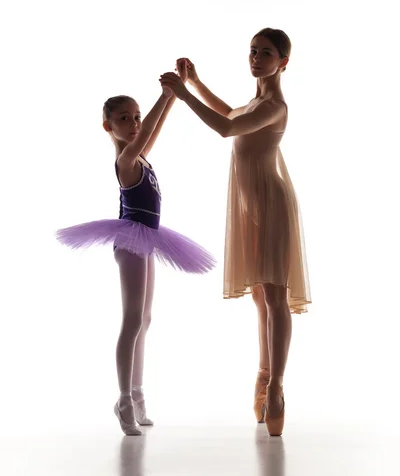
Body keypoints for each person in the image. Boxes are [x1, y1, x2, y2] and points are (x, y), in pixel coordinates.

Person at [160, 29, 311, 436]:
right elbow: (231, 115)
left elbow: (227, 130)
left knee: (276, 295)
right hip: (250, 207)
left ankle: (276, 387)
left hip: (272, 204)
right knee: (260, 296)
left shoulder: (275, 105)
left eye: (265, 53)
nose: (255, 58)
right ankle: (264, 375)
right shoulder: (256, 102)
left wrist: (182, 95)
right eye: (252, 51)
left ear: (284, 62)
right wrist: (195, 83)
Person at [56, 69, 215, 436]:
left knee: (145, 319)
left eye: (136, 117)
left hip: (148, 239)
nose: (133, 124)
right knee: (131, 320)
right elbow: (145, 136)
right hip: (129, 242)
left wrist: (172, 97)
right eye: (123, 119)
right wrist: (166, 94)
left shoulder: (141, 156)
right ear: (107, 127)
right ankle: (123, 400)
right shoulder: (126, 161)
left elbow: (151, 133)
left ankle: (138, 394)